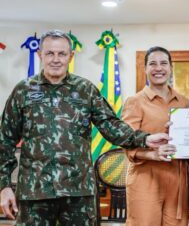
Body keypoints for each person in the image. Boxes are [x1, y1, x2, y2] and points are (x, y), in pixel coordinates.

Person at [0, 30, 170, 225]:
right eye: (50, 53)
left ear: (71, 56)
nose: (56, 59)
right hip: (34, 192)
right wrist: (4, 186)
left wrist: (144, 139)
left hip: (78, 193)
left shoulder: (85, 90)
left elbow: (110, 125)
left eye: (62, 54)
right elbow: (4, 141)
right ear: (40, 55)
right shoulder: (23, 91)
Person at [122, 46, 189, 226]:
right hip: (146, 178)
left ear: (170, 68)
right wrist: (152, 154)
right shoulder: (134, 102)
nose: (158, 68)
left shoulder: (184, 102)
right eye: (152, 64)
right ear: (145, 69)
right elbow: (126, 143)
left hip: (177, 178)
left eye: (163, 63)